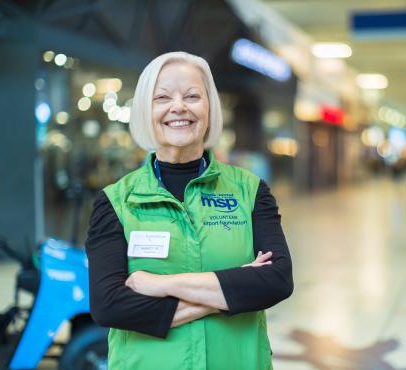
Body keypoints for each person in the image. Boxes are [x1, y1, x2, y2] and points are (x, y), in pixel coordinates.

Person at [85, 51, 293, 370]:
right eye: (163, 97)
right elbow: (109, 306)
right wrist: (235, 289)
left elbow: (277, 280)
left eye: (193, 96)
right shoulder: (116, 201)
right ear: (145, 109)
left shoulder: (250, 191)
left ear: (209, 108)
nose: (178, 106)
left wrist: (158, 285)